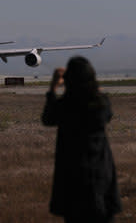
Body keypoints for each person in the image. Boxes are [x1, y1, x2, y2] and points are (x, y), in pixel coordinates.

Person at [42, 56, 121, 223]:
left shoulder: (65, 106)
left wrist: (53, 88)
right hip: (100, 177)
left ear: (68, 80)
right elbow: (107, 111)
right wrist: (92, 84)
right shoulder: (101, 104)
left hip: (73, 179)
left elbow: (47, 119)